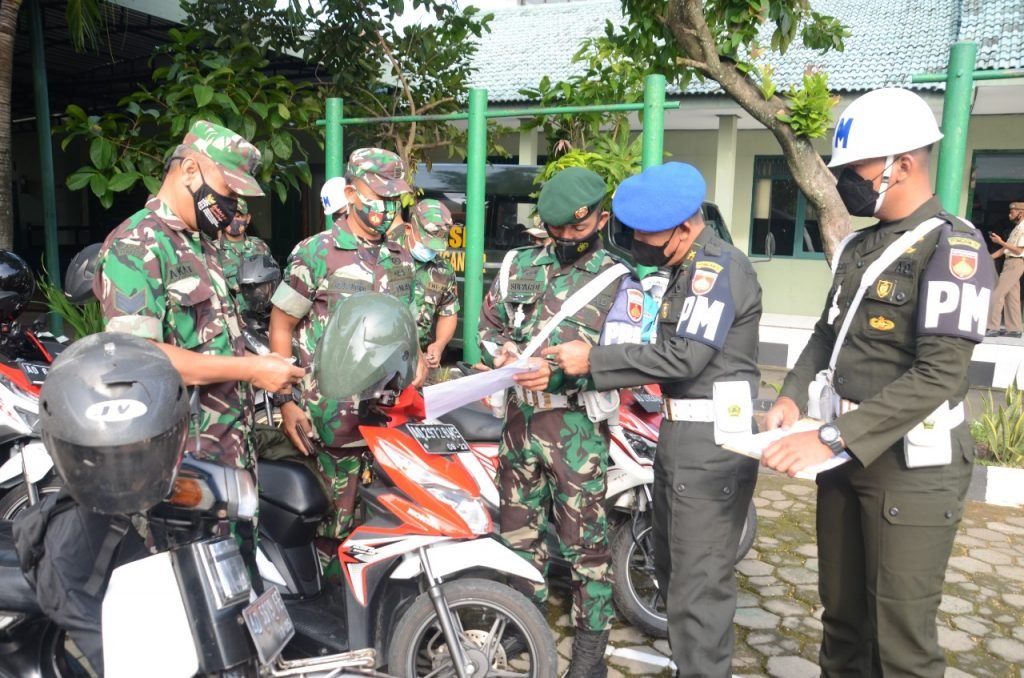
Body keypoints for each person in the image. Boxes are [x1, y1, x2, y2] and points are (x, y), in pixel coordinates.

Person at [760, 88, 996, 677]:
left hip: (909, 466)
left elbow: (941, 375)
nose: (844, 181)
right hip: (845, 456)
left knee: (900, 641)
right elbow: (826, 333)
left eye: (856, 169)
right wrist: (791, 393)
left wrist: (834, 437)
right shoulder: (862, 246)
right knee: (841, 621)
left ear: (904, 165)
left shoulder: (953, 247)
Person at [547, 162, 762, 678]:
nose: (638, 240)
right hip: (680, 436)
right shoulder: (685, 269)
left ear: (685, 228)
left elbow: (683, 356)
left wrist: (593, 361)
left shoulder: (716, 269)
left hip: (710, 445)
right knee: (672, 574)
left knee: (697, 589)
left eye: (648, 232)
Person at [478, 166, 641, 678]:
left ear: (601, 218)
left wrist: (569, 372)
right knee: (516, 537)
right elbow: (489, 325)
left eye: (577, 228)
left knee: (585, 547)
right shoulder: (518, 263)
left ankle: (590, 654)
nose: (566, 239)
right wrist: (500, 353)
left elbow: (626, 356)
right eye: (556, 229)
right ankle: (521, 630)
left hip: (574, 431)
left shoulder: (620, 279)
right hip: (517, 425)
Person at [93, 120, 304, 469]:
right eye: (228, 192)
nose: (232, 206)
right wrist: (250, 370)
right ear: (190, 170)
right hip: (184, 462)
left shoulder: (203, 243)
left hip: (230, 450)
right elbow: (137, 358)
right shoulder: (135, 245)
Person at [268, 149, 420, 542]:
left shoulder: (400, 258)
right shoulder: (316, 253)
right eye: (377, 196)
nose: (386, 208)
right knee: (329, 524)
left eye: (393, 199)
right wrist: (286, 401)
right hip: (327, 416)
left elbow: (405, 326)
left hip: (385, 417)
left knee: (381, 521)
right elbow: (281, 326)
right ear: (351, 193)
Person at [398, 199, 459, 368]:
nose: (430, 251)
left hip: (419, 361)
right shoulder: (385, 258)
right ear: (409, 229)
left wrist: (439, 344)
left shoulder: (443, 270)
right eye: (426, 244)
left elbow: (448, 311)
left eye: (435, 247)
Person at [218, 198, 273, 318]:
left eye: (238, 216)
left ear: (247, 219)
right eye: (229, 215)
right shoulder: (213, 250)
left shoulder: (260, 246)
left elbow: (272, 283)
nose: (234, 220)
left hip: (259, 320)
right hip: (229, 321)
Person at [986, 201, 1024, 337]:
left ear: (1021, 213)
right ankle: (1014, 329)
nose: (1010, 214)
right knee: (1011, 296)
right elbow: (1005, 248)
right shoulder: (1017, 228)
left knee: (997, 293)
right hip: (1011, 262)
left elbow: (1019, 251)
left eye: (1012, 212)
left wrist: (1000, 241)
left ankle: (992, 326)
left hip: (1017, 262)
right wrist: (989, 257)